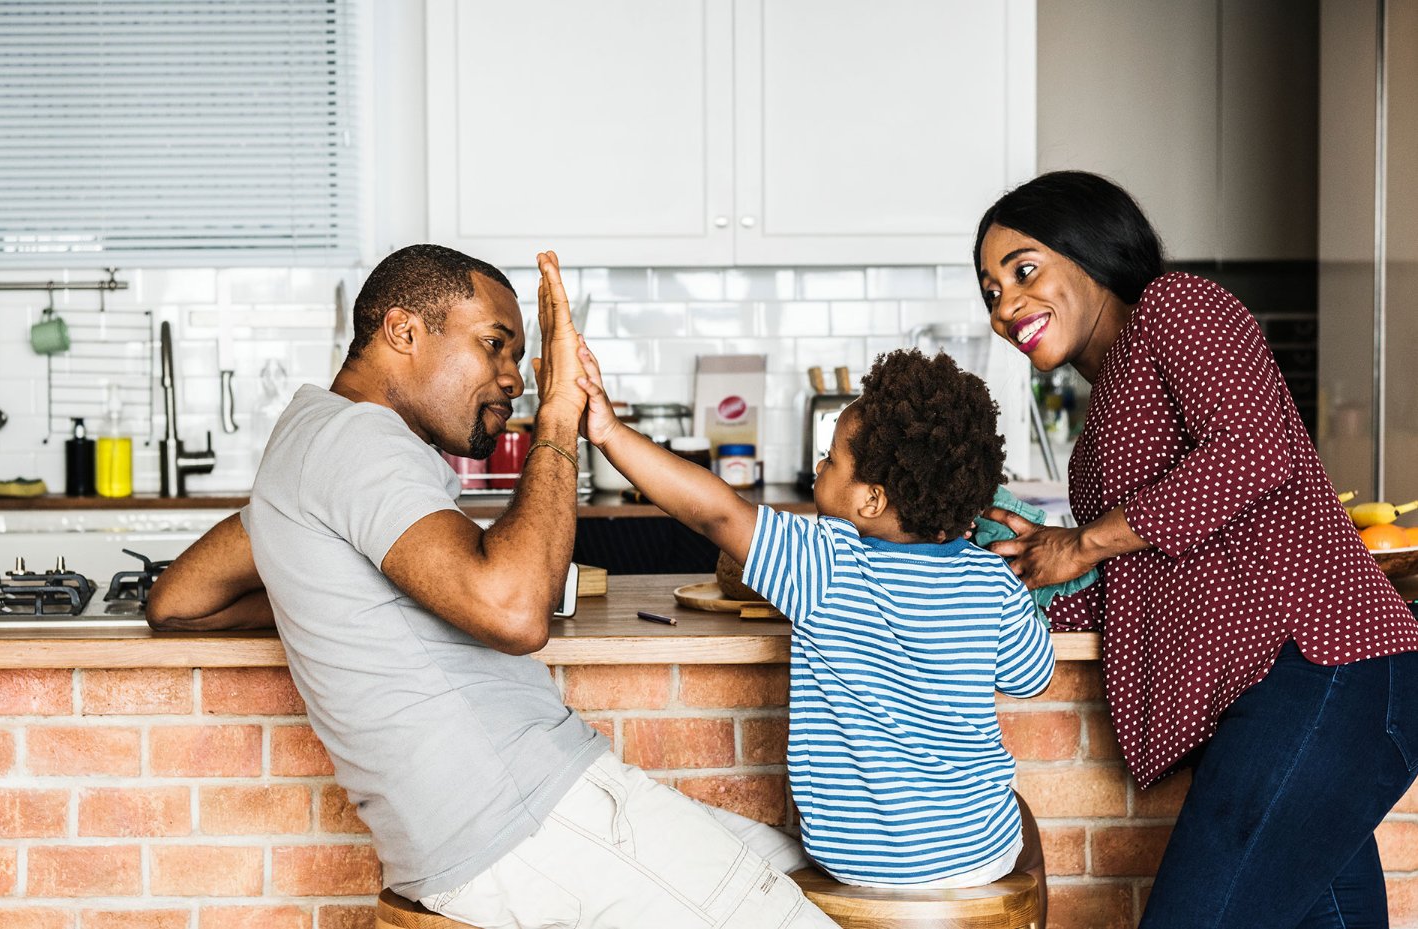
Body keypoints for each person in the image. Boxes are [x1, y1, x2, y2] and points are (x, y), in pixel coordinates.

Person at [146, 244, 839, 929]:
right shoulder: (359, 440)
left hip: (514, 819)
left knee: (808, 867)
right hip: (527, 823)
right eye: (495, 345)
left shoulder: (310, 440)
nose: (515, 379)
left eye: (519, 358)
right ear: (404, 331)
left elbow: (176, 600)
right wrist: (560, 414)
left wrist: (337, 598)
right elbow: (514, 610)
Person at [973, 170, 1418, 928]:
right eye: (990, 293)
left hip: (1320, 668)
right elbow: (1131, 579)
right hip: (1275, 698)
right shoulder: (1099, 436)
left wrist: (1083, 541)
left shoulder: (1177, 307)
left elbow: (1253, 451)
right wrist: (1006, 571)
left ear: (1090, 251)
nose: (1007, 307)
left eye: (1024, 270)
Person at [573, 344, 1053, 894]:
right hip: (975, 855)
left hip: (855, 863)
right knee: (1022, 823)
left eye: (830, 460)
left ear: (870, 500)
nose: (819, 466)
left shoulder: (824, 560)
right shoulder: (992, 581)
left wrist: (609, 431)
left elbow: (715, 511)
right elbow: (1031, 677)